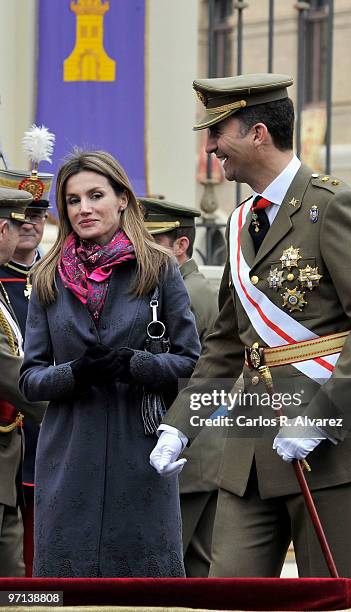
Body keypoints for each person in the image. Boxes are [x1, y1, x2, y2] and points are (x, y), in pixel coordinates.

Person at [149, 74, 351, 578]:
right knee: (228, 596)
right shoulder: (239, 221)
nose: (210, 147)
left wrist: (322, 415)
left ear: (257, 134)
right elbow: (229, 342)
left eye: (218, 132)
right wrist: (180, 424)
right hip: (249, 448)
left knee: (332, 599)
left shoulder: (333, 206)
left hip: (330, 448)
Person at [19, 150, 200, 578]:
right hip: (69, 458)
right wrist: (75, 373)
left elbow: (191, 359)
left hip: (140, 451)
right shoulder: (47, 276)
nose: (84, 209)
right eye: (73, 200)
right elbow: (30, 379)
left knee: (145, 591)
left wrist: (134, 363)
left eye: (95, 195)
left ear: (122, 198)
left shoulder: (157, 268)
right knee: (67, 592)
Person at [141, 197, 221, 576]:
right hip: (203, 452)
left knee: (168, 571)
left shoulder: (185, 294)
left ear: (181, 245)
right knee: (196, 568)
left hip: (186, 449)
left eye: (152, 242)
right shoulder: (194, 287)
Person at [0, 163, 52, 576]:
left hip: (39, 433)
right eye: (21, 216)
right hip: (17, 425)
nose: (29, 224)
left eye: (36, 214)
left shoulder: (58, 276)